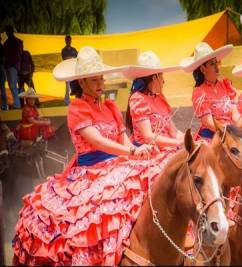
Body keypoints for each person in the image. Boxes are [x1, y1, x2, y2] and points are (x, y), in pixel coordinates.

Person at [12, 46, 161, 266]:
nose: (100, 84)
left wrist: (138, 152)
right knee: (96, 216)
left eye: (101, 79)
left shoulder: (110, 106)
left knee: (154, 179)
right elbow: (98, 142)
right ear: (81, 83)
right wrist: (131, 151)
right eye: (94, 81)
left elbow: (123, 139)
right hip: (90, 172)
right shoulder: (77, 108)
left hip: (117, 164)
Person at [124, 51, 184, 154]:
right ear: (155, 77)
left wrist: (190, 139)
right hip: (150, 154)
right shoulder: (138, 99)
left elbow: (174, 132)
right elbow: (148, 137)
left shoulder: (160, 98)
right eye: (162, 75)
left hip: (168, 150)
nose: (163, 81)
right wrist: (177, 143)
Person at [181, 42, 241, 142]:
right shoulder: (199, 92)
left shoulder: (225, 85)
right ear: (203, 69)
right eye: (212, 64)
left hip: (231, 132)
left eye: (216, 62)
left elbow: (235, 115)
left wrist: (238, 128)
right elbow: (209, 122)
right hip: (213, 137)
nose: (217, 67)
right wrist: (228, 132)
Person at [4, 25, 23, 109]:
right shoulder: (6, 43)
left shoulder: (17, 42)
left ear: (11, 31)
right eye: (7, 32)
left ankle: (17, 104)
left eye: (9, 31)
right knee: (11, 85)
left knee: (12, 84)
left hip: (13, 66)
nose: (8, 33)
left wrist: (18, 66)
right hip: (8, 66)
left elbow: (19, 55)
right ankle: (17, 102)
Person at [61, 35, 78, 105]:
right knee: (67, 86)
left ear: (71, 41)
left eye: (69, 40)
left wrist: (72, 58)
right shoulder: (63, 50)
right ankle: (67, 101)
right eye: (67, 40)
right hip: (67, 70)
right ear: (65, 41)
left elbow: (77, 57)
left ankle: (77, 99)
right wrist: (71, 58)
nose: (69, 41)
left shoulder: (74, 49)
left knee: (76, 84)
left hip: (73, 70)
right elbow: (65, 58)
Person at [0, 35, 7, 110]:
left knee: (2, 88)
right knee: (3, 89)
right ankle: (5, 106)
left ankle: (4, 105)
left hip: (1, 68)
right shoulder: (2, 47)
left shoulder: (2, 47)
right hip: (2, 68)